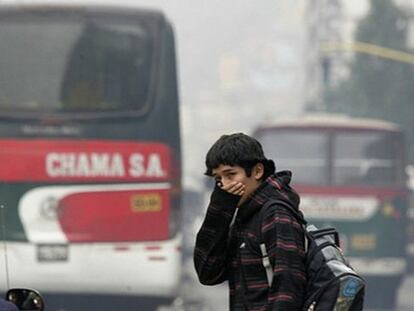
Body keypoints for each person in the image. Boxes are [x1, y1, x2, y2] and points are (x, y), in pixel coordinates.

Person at [194, 133, 306, 310]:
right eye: (218, 179)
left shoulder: (275, 213)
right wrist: (219, 209)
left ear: (257, 171)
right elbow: (208, 273)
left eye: (230, 175)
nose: (224, 184)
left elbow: (288, 288)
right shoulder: (244, 216)